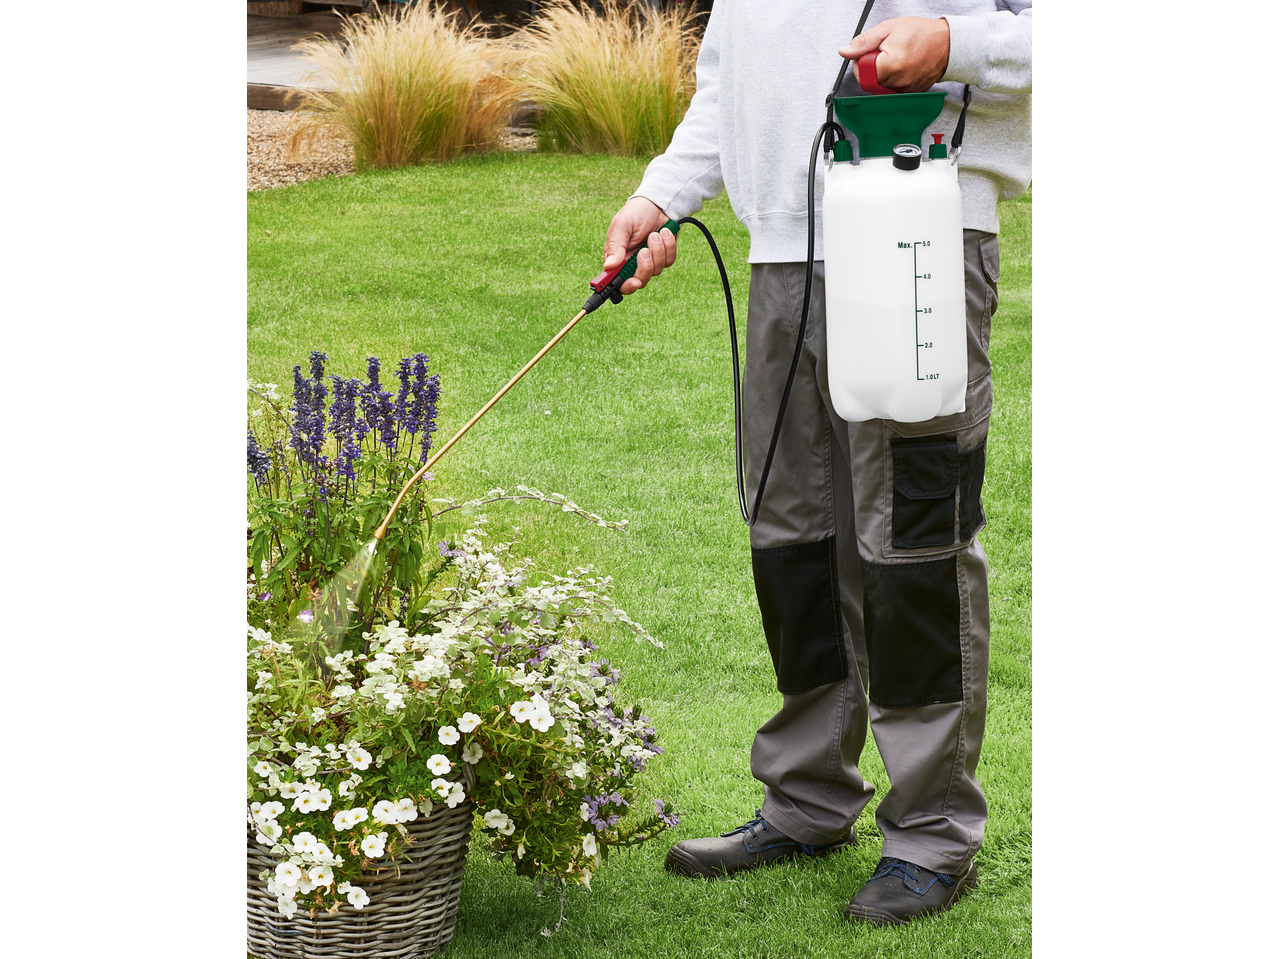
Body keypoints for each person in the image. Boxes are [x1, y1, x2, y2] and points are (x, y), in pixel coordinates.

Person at [601, 2, 1031, 927]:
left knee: (912, 538)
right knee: (792, 532)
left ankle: (932, 830)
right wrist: (661, 195)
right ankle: (807, 795)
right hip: (782, 255)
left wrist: (955, 43)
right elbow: (731, 78)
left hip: (918, 232)